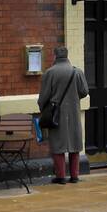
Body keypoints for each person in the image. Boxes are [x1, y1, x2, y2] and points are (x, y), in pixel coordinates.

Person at [38, 46, 89, 184]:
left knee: (57, 144)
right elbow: (84, 91)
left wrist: (42, 107)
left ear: (55, 56)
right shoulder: (76, 71)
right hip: (73, 112)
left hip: (56, 114)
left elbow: (44, 97)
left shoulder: (50, 73)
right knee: (74, 144)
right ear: (67, 56)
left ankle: (60, 177)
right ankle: (75, 176)